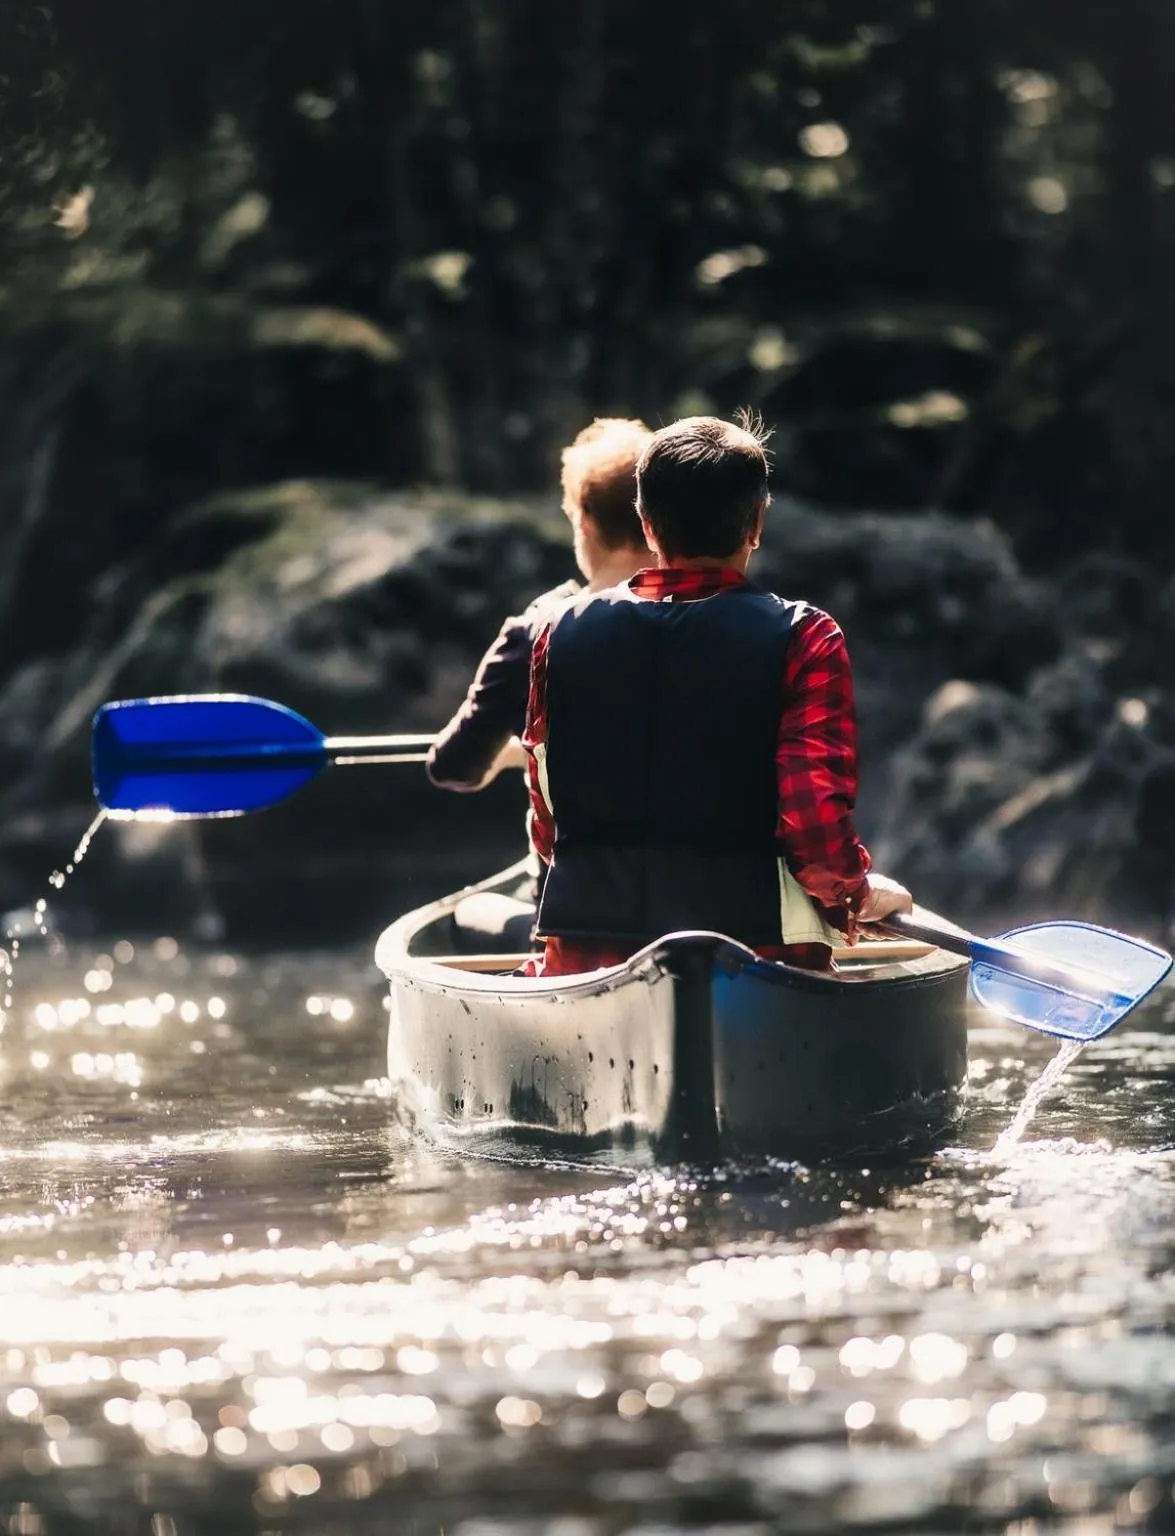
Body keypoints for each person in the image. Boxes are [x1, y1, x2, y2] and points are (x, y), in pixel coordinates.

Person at [523, 411, 913, 977]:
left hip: (591, 943)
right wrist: (855, 896)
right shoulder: (807, 637)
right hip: (761, 949)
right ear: (757, 521)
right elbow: (812, 820)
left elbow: (546, 813)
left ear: (646, 523)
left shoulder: (558, 631)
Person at [426, 418, 654, 796]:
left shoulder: (534, 634)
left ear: (583, 521)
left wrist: (510, 754)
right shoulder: (715, 621)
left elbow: (454, 766)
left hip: (577, 855)